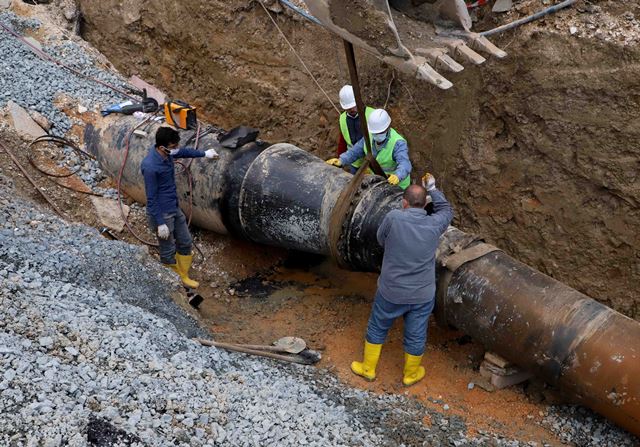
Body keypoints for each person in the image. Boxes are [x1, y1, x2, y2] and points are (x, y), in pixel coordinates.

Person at [351, 175, 453, 386]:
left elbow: (380, 239)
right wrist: (432, 188)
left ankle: (368, 368)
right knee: (416, 332)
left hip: (391, 290)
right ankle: (410, 374)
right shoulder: (435, 224)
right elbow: (446, 210)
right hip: (421, 294)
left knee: (378, 325)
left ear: (404, 203)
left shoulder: (394, 217)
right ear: (425, 204)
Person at [141, 126, 218, 289]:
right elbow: (151, 198)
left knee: (185, 241)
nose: (176, 149)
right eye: (173, 147)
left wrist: (204, 154)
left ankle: (183, 274)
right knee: (167, 249)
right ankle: (174, 282)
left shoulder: (167, 153)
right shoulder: (150, 166)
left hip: (174, 207)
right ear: (162, 147)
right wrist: (160, 222)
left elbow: (183, 152)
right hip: (162, 213)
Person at [326, 108, 412, 189]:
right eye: (375, 133)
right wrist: (342, 160)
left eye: (380, 132)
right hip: (378, 182)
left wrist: (398, 176)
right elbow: (355, 151)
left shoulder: (398, 143)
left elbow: (405, 163)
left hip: (398, 186)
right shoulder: (370, 136)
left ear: (388, 128)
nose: (377, 135)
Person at [335, 85, 374, 173]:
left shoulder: (372, 115)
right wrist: (340, 160)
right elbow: (343, 141)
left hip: (371, 162)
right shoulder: (342, 119)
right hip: (354, 162)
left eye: (353, 106)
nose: (352, 109)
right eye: (349, 108)